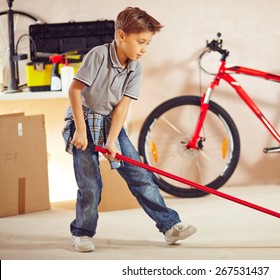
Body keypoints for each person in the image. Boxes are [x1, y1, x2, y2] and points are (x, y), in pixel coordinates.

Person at [62, 6, 196, 252]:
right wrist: (80, 130)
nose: (144, 49)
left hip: (111, 122)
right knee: (90, 184)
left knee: (140, 175)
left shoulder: (136, 68)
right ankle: (82, 232)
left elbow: (122, 107)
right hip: (84, 120)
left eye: (148, 43)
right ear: (121, 36)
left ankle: (169, 226)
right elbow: (74, 91)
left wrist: (112, 140)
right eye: (141, 41)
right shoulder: (98, 56)